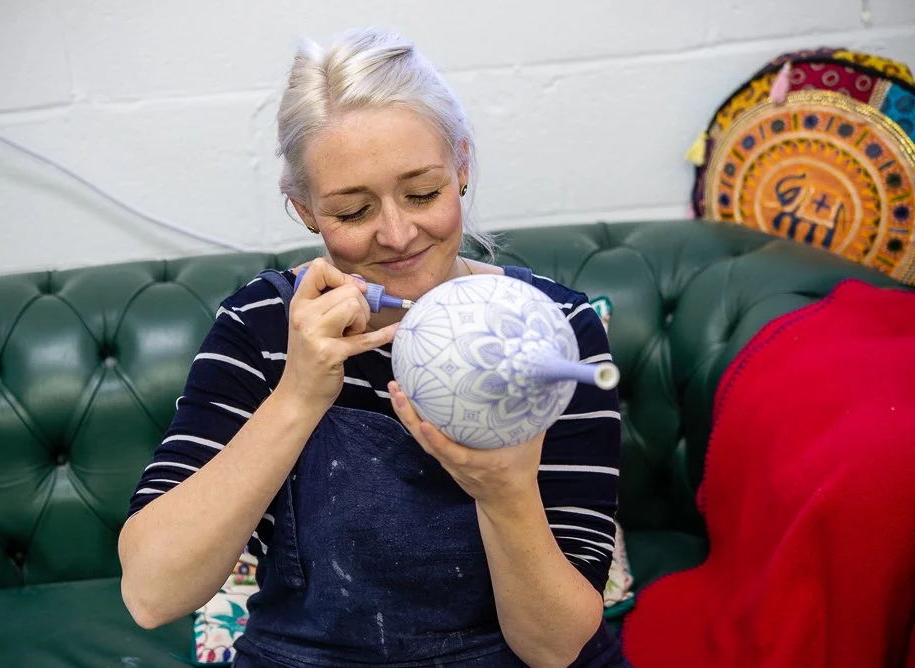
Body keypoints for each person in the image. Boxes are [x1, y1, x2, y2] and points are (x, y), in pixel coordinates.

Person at [119, 28, 627, 667]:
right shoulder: (266, 326)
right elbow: (151, 592)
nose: (397, 233)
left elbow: (554, 648)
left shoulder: (556, 329)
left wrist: (506, 492)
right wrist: (298, 396)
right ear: (305, 210)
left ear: (462, 166)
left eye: (423, 193)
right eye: (353, 212)